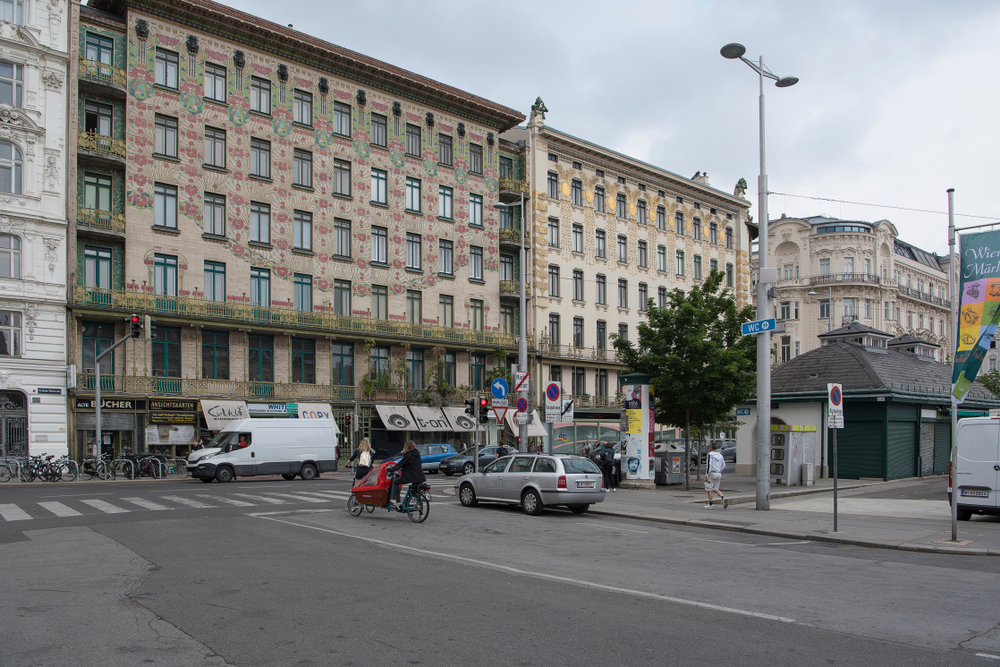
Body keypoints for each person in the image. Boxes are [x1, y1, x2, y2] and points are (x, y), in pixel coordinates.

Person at [386, 440, 426, 508]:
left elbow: (399, 465)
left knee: (396, 482)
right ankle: (420, 509)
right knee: (416, 491)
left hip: (410, 476)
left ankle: (398, 501)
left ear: (406, 447)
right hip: (420, 476)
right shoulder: (417, 454)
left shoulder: (408, 455)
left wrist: (389, 469)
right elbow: (412, 465)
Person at [704, 442, 728, 509]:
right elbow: (724, 465)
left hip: (712, 473)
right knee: (716, 488)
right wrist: (719, 470)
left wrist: (707, 474)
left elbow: (709, 465)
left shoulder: (710, 455)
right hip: (718, 473)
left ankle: (711, 504)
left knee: (709, 489)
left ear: (711, 448)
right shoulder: (720, 455)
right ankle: (723, 498)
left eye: (709, 447)